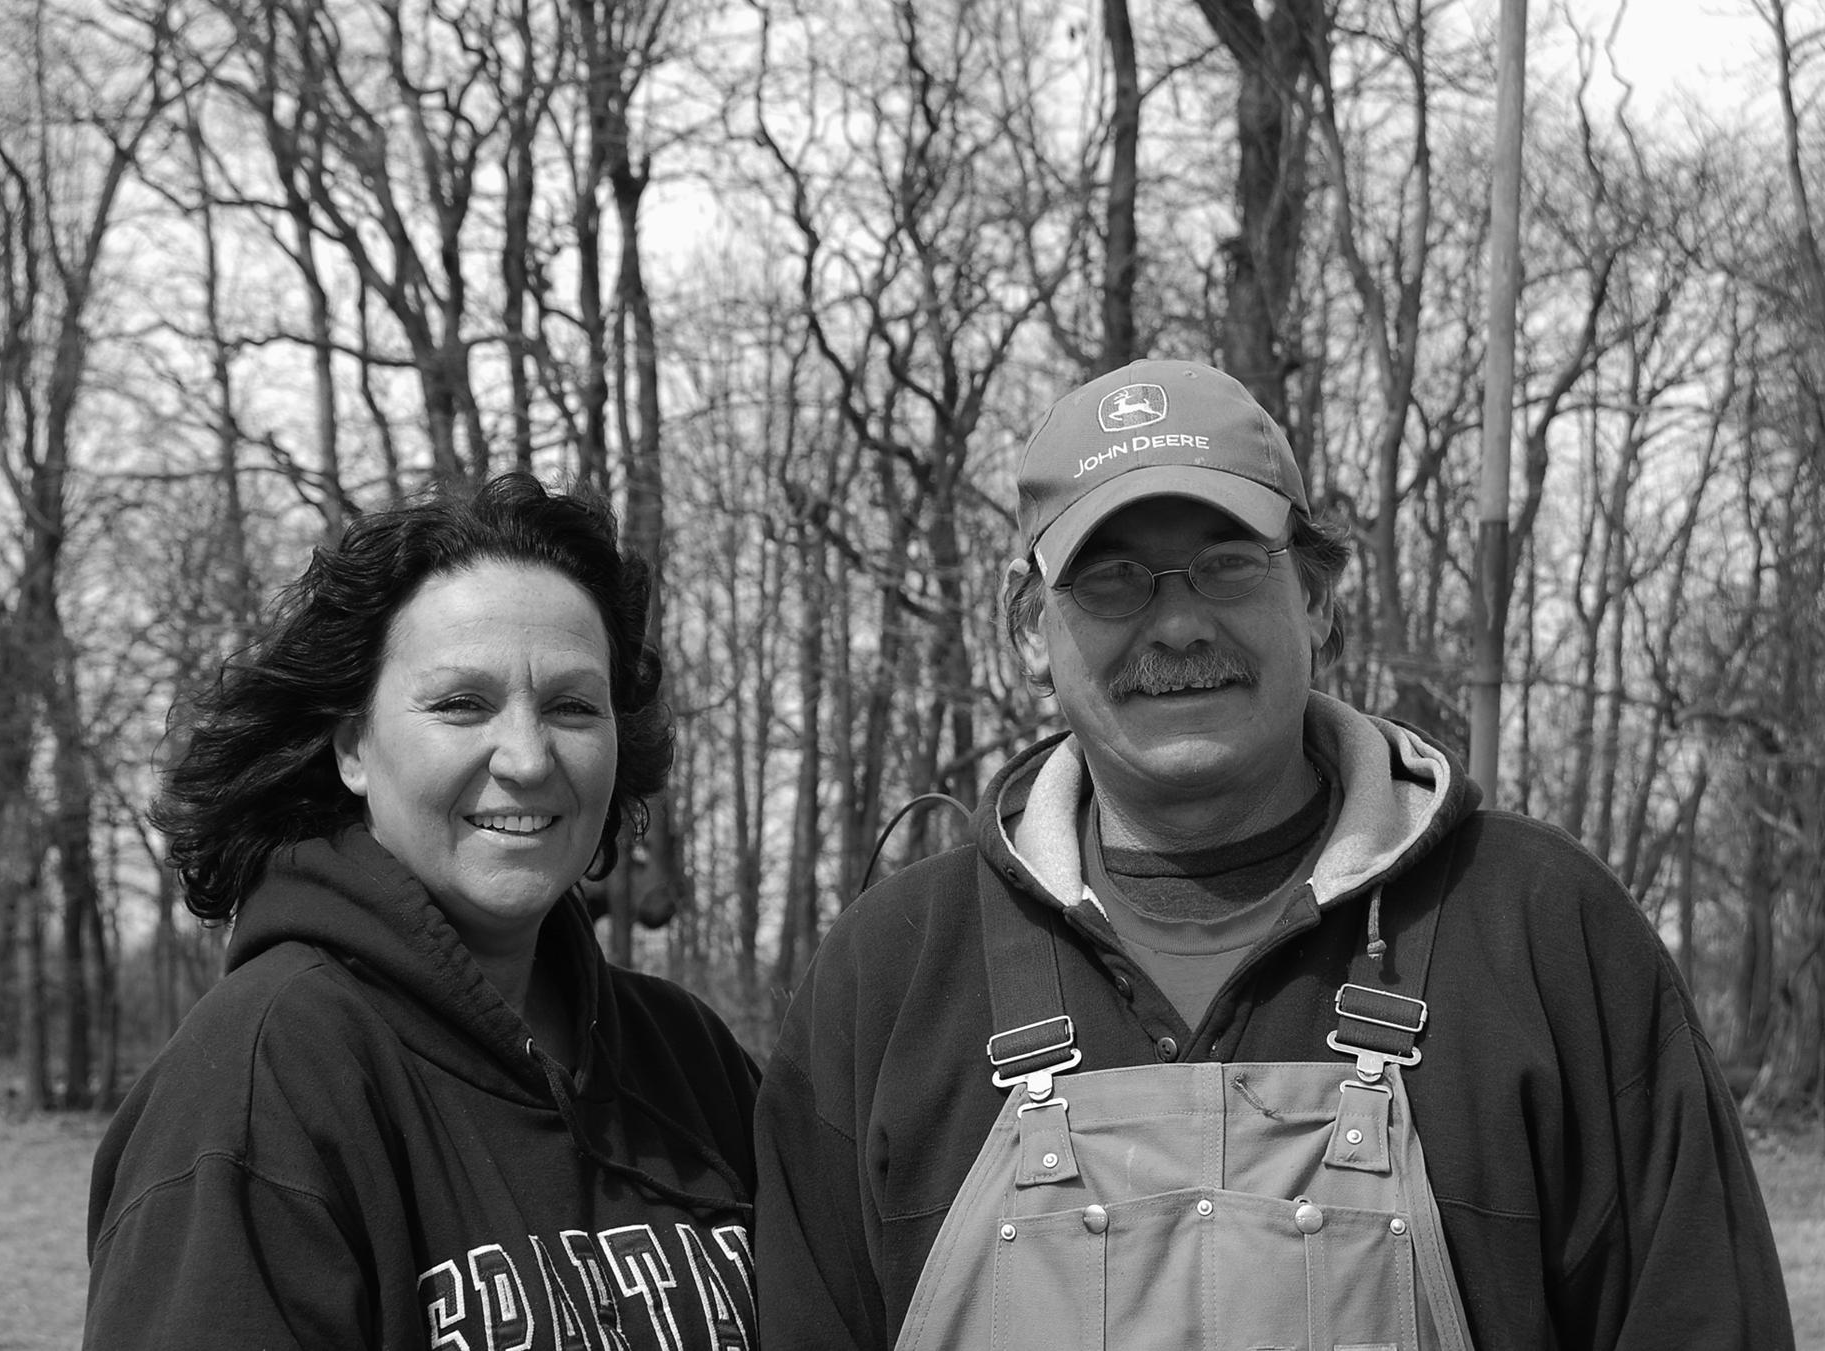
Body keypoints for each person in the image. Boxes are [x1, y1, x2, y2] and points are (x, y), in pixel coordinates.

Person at [752, 359, 1794, 1350]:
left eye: (1227, 565)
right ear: (1029, 630)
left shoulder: (1543, 933)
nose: (1178, 625)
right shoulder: (887, 979)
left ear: (1318, 599)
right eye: (1112, 579)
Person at [86, 473, 759, 1350]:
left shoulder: (690, 1057)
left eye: (572, 705)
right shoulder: (257, 1089)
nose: (527, 758)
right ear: (354, 748)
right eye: (461, 704)